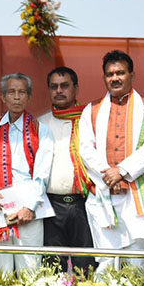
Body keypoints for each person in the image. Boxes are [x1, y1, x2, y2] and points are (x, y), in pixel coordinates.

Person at [79, 50, 144, 273]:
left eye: (120, 73)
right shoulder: (91, 110)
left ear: (132, 75)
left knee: (140, 260)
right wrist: (109, 174)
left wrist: (123, 171)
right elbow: (86, 149)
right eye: (109, 74)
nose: (114, 78)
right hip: (104, 193)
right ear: (104, 77)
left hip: (139, 195)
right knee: (107, 261)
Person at [0, 73, 54, 273]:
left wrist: (29, 207)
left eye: (22, 92)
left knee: (30, 272)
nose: (16, 97)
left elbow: (42, 174)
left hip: (30, 210)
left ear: (29, 97)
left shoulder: (41, 129)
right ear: (2, 97)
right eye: (11, 92)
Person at [38, 67, 96, 272]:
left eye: (64, 86)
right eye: (54, 87)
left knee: (86, 267)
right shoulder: (41, 124)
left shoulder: (90, 121)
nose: (59, 91)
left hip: (84, 204)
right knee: (53, 269)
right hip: (51, 207)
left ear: (76, 88)